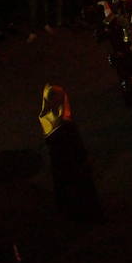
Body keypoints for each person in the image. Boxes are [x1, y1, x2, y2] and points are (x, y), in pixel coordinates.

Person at [38, 83, 103, 222]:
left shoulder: (46, 119)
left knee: (68, 191)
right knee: (82, 190)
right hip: (75, 164)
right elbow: (76, 146)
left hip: (59, 166)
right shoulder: (65, 122)